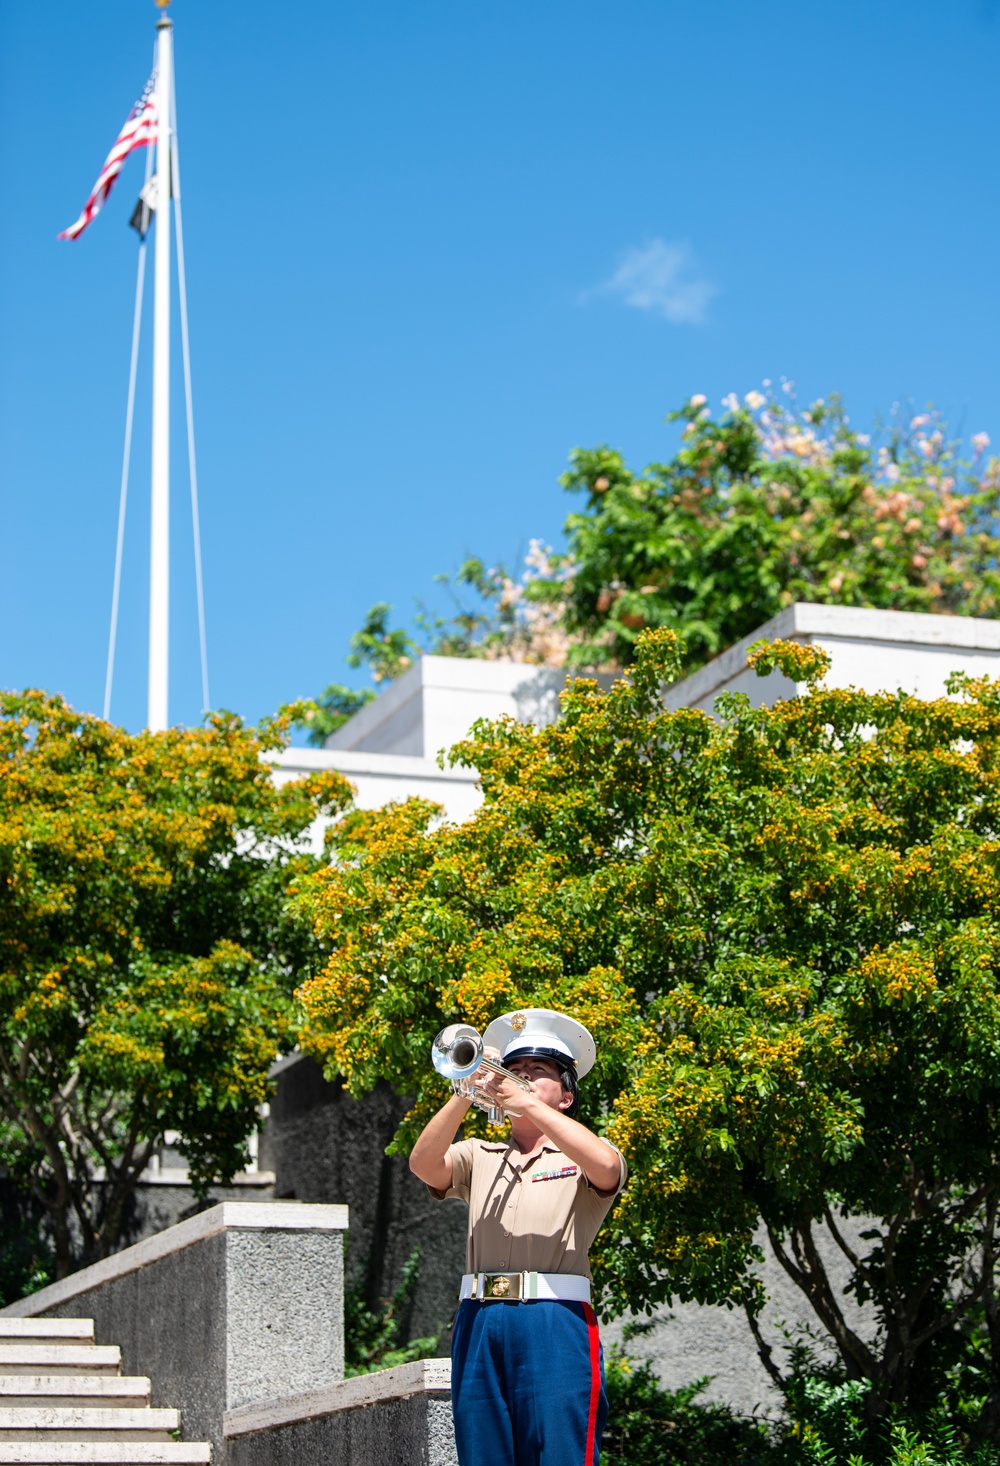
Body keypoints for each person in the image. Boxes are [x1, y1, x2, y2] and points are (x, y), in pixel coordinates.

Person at [409, 1007, 627, 1466]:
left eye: (539, 1071)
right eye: (514, 1069)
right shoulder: (480, 1153)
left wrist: (525, 1102)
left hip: (553, 1320)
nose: (521, 1077)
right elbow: (423, 1165)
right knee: (483, 1454)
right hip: (479, 1320)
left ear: (566, 1096)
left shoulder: (582, 1153)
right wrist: (467, 1091)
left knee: (560, 1453)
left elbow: (608, 1168)